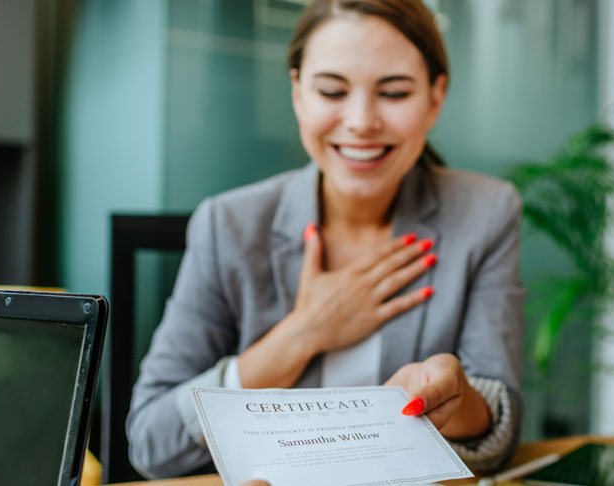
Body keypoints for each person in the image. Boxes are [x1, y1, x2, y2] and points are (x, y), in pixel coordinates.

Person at [126, 0, 524, 479]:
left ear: (435, 98)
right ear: (298, 93)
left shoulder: (485, 213)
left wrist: (455, 397)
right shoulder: (226, 224)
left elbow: (500, 430)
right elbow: (150, 442)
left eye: (394, 93)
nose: (360, 121)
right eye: (332, 90)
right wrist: (302, 335)